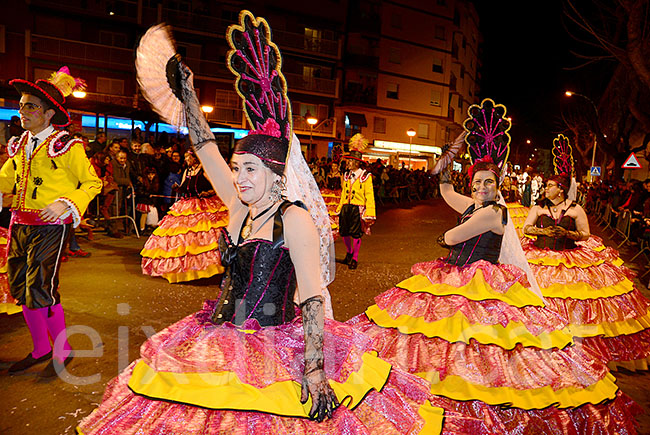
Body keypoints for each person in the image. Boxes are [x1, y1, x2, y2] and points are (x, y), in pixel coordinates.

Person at [79, 16, 443, 434]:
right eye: (237, 168)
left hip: (275, 344)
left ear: (275, 173)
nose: (240, 178)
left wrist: (314, 369)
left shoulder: (294, 219)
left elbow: (311, 295)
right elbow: (205, 147)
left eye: (250, 169)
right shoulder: (237, 205)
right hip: (217, 334)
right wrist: (190, 97)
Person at [347, 99, 640, 433]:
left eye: (488, 183)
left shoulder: (492, 212)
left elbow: (453, 236)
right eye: (476, 184)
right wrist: (450, 154)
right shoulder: (474, 204)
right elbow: (444, 188)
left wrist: (446, 236)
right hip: (454, 277)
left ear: (498, 185)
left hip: (479, 283)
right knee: (437, 344)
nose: (481, 188)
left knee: (477, 349)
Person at [0, 67, 102, 377]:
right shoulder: (18, 145)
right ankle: (40, 348)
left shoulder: (66, 146)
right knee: (19, 287)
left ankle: (61, 347)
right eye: (21, 105)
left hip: (50, 228)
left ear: (47, 114)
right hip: (19, 225)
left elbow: (92, 183)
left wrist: (65, 203)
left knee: (41, 289)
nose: (22, 111)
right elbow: (5, 181)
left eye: (30, 106)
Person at [523, 173, 650, 370]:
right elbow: (526, 229)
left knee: (572, 301)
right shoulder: (539, 207)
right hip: (540, 257)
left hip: (568, 257)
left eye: (549, 186)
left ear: (561, 189)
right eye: (546, 186)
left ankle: (573, 347)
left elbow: (585, 235)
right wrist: (544, 232)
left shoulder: (576, 210)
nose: (545, 189)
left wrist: (568, 233)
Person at [140, 151, 228, 283]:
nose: (187, 160)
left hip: (204, 204)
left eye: (189, 157)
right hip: (188, 203)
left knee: (204, 234)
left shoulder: (204, 169)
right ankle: (183, 269)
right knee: (180, 236)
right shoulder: (187, 171)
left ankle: (207, 266)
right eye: (185, 157)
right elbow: (183, 187)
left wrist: (209, 192)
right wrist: (178, 188)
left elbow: (217, 185)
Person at [335, 134, 375, 270]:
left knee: (356, 234)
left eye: (351, 161)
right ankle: (349, 252)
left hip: (357, 209)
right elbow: (343, 193)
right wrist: (340, 207)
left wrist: (369, 211)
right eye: (348, 161)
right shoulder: (346, 175)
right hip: (346, 208)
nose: (348, 163)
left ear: (357, 163)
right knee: (344, 232)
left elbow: (369, 195)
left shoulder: (365, 177)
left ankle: (355, 258)